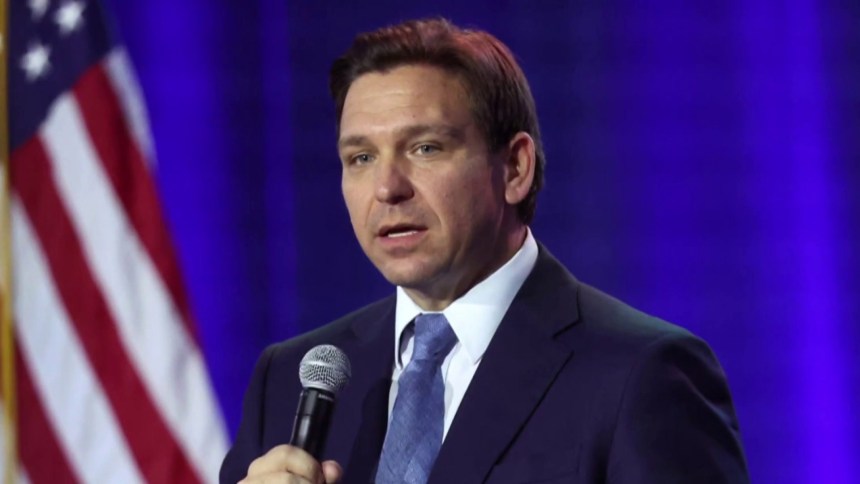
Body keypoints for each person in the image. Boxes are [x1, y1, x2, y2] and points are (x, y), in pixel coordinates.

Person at [220, 18, 749, 484]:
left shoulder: (639, 373)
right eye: (360, 157)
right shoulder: (288, 378)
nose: (386, 188)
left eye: (425, 148)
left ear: (515, 168)